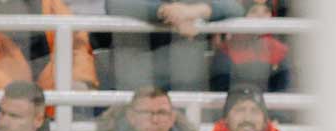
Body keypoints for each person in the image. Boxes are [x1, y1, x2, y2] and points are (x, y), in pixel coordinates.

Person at [105, 0, 247, 92]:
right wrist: (165, 12)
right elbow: (115, 4)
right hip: (133, 88)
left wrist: (194, 11)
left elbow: (235, 8)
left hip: (186, 87)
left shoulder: (189, 7)